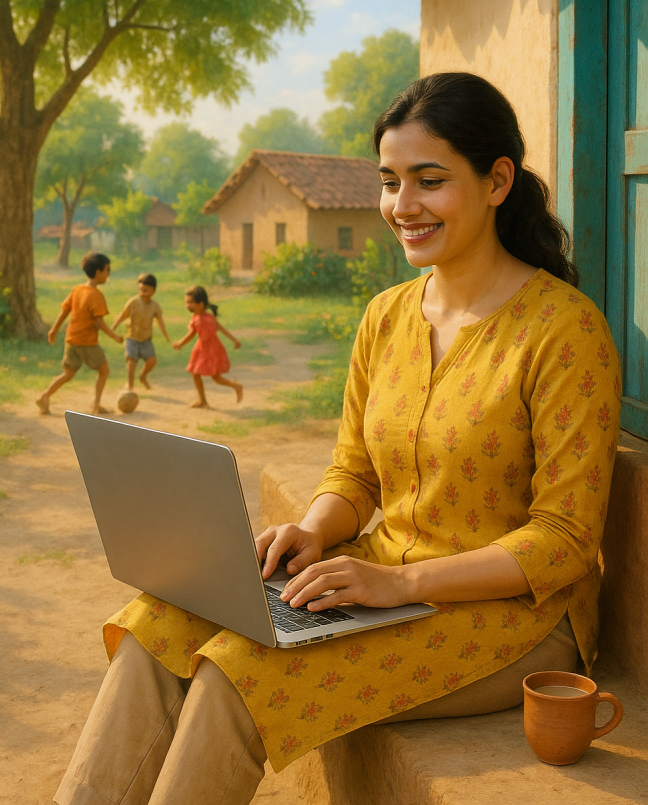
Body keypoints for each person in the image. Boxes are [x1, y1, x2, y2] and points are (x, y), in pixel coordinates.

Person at [55, 74, 621, 805]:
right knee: (153, 622)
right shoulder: (385, 317)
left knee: (237, 674)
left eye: (429, 180)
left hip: (515, 619)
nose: (401, 206)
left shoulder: (563, 331)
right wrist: (311, 530)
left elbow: (566, 538)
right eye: (389, 182)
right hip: (380, 580)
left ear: (496, 181)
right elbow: (354, 473)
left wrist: (401, 583)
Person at [37, 252, 123, 417]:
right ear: (98, 272)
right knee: (104, 371)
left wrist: (54, 329)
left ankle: (45, 396)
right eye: (107, 270)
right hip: (86, 342)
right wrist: (114, 336)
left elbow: (64, 310)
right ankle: (96, 405)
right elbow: (99, 322)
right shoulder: (96, 296)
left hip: (71, 339)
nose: (108, 274)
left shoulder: (77, 289)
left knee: (68, 373)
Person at [171, 285, 243, 408]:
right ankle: (202, 400)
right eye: (186, 302)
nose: (188, 305)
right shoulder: (196, 318)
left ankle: (235, 386)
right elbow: (192, 334)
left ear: (201, 304)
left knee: (216, 377)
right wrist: (180, 343)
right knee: (195, 373)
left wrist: (235, 340)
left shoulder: (208, 318)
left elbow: (221, 329)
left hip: (212, 350)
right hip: (202, 349)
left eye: (191, 302)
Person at [113, 273, 170, 391]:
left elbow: (160, 322)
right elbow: (124, 314)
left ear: (153, 291)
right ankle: (129, 385)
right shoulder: (133, 302)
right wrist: (114, 326)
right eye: (141, 290)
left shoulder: (155, 306)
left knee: (152, 361)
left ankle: (143, 376)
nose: (143, 293)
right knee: (131, 361)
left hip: (146, 339)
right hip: (132, 337)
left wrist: (166, 336)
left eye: (146, 290)